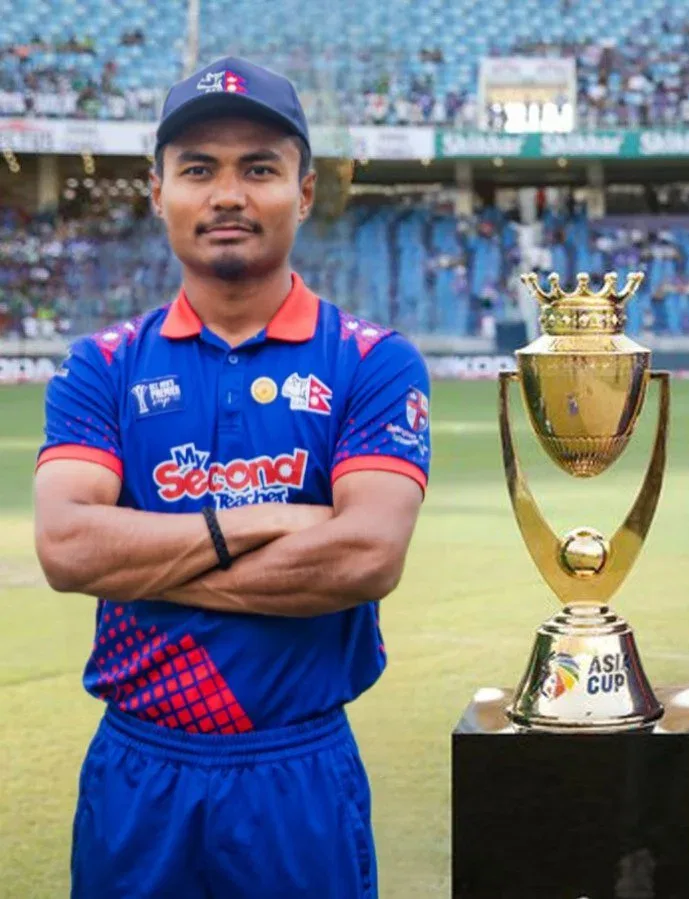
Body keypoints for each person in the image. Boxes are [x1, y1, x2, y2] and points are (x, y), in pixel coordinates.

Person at [33, 57, 431, 898]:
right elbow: (67, 547)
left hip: (297, 770)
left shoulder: (372, 360)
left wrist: (145, 565)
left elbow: (365, 556)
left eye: (258, 169)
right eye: (198, 169)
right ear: (157, 192)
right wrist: (258, 521)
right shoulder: (101, 365)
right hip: (139, 771)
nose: (227, 195)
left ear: (305, 191)